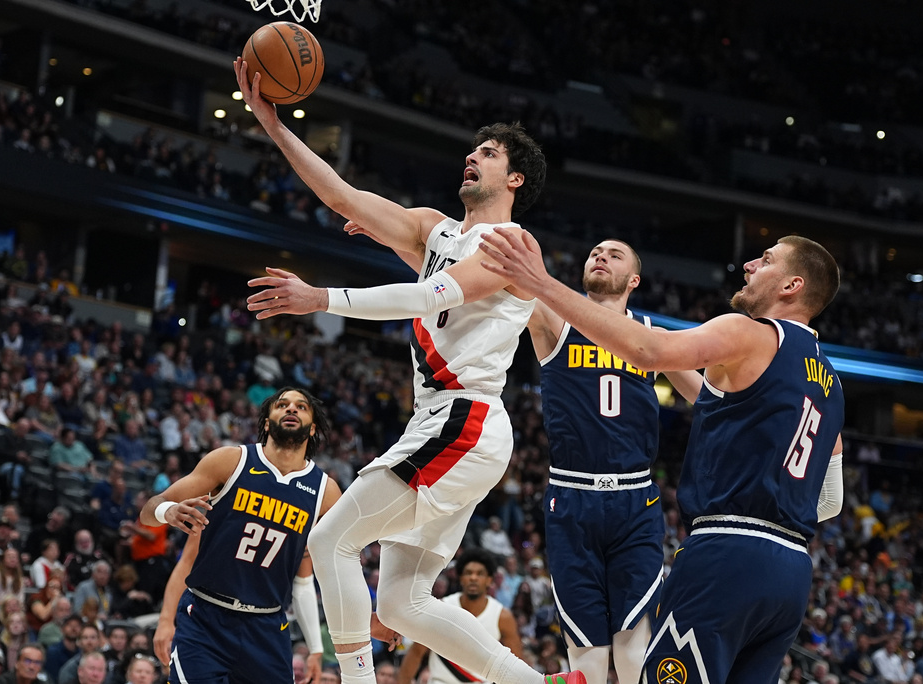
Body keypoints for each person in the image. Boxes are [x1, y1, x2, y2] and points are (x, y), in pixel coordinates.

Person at [236, 57, 577, 684]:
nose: (472, 156)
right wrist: (274, 125)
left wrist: (323, 298)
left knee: (329, 539)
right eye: (472, 149)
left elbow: (428, 298)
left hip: (466, 419)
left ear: (516, 177)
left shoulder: (514, 245)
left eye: (490, 152)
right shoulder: (435, 231)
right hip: (446, 423)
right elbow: (341, 195)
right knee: (400, 603)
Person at [479, 230, 846, 684]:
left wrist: (540, 279)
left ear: (791, 285)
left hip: (724, 550)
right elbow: (830, 500)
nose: (750, 265)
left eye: (766, 260)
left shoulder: (745, 332)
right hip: (792, 572)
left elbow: (649, 352)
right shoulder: (833, 382)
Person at [525, 238, 702, 684]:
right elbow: (498, 283)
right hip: (572, 497)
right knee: (585, 657)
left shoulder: (651, 339)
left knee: (634, 651)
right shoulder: (553, 319)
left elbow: (708, 399)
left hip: (634, 502)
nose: (600, 256)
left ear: (634, 280)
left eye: (614, 254)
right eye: (594, 253)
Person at [140, 387, 345, 684]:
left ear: (313, 428)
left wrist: (315, 648)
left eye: (301, 407)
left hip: (267, 626)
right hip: (205, 617)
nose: (291, 409)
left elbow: (304, 579)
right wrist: (168, 512)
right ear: (265, 422)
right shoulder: (231, 461)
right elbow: (149, 509)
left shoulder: (325, 493)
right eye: (282, 404)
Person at [397, 549, 521, 684]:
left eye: (480, 574)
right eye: (468, 573)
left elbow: (515, 664)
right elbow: (416, 653)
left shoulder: (502, 616)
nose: (473, 578)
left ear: (489, 580)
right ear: (461, 578)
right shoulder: (442, 608)